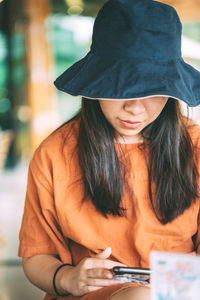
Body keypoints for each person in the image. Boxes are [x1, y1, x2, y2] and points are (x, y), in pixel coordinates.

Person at [18, 0, 200, 299]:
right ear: (97, 83)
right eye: (121, 88)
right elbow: (37, 255)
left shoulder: (194, 146)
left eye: (153, 90)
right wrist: (67, 278)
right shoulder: (55, 153)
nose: (135, 107)